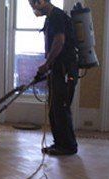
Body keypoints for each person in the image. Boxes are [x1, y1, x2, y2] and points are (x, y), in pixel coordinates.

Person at [29, 0, 79, 155]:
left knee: (61, 108)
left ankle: (69, 147)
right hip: (57, 70)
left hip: (64, 70)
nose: (33, 9)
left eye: (34, 5)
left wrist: (47, 64)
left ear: (42, 1)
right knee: (54, 109)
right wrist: (48, 67)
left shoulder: (57, 16)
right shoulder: (50, 18)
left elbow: (59, 41)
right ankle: (59, 144)